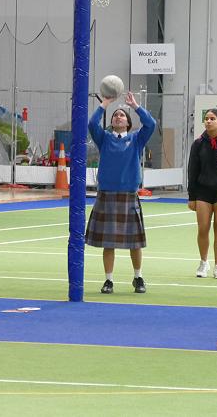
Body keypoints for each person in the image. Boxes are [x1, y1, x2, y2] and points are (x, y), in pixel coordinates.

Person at [86, 91, 156, 294]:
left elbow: (151, 124)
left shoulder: (136, 139)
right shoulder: (104, 138)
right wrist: (104, 104)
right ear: (112, 122)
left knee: (135, 243)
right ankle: (108, 280)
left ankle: (138, 277)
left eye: (122, 115)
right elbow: (92, 124)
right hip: (107, 194)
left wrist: (135, 106)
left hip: (128, 195)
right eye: (115, 115)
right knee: (108, 243)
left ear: (128, 123)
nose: (118, 117)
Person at [188, 108, 217, 280]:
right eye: (206, 118)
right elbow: (192, 170)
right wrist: (192, 196)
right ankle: (203, 262)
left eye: (212, 118)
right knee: (203, 228)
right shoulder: (198, 143)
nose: (208, 121)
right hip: (203, 192)